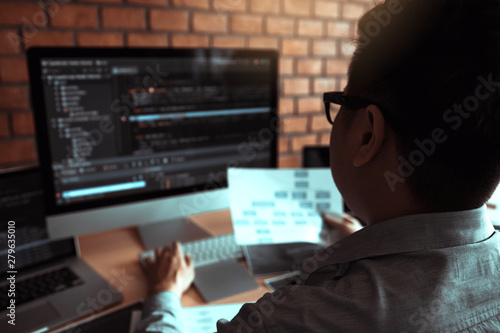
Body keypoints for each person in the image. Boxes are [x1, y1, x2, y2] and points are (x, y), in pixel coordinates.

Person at [136, 0, 500, 331]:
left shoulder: (297, 319)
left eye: (341, 102)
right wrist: (364, 240)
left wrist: (164, 294)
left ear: (367, 135)